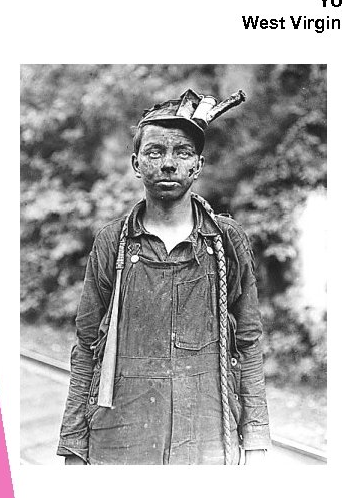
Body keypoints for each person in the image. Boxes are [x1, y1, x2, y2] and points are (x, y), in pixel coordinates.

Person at [57, 89, 271, 465]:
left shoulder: (225, 241)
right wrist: (74, 444)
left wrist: (255, 440)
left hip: (205, 439)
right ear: (136, 163)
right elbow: (87, 346)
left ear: (198, 165)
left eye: (182, 152)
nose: (168, 163)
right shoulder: (112, 242)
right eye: (155, 152)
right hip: (121, 439)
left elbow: (249, 342)